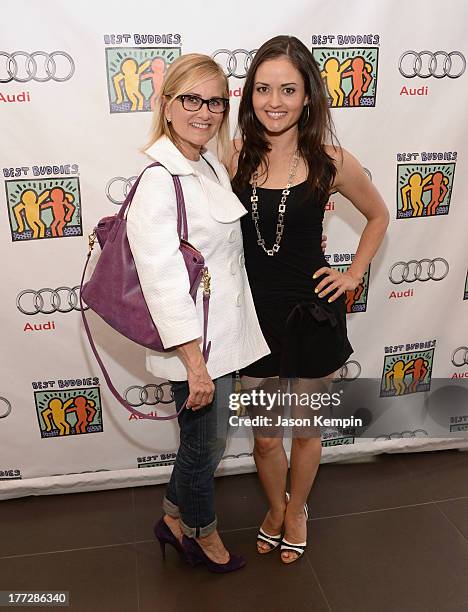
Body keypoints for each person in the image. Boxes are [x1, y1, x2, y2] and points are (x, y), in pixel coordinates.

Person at [230, 35, 389, 564]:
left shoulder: (331, 160)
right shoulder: (233, 156)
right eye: (263, 88)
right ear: (249, 94)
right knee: (266, 438)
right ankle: (275, 506)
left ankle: (297, 510)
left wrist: (353, 274)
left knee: (304, 430)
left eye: (288, 89)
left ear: (308, 96)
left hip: (313, 315)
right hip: (253, 318)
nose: (274, 101)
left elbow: (378, 215)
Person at [126, 53, 271, 573]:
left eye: (214, 101)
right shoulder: (158, 180)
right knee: (202, 452)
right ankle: (200, 537)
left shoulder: (205, 162)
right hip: (196, 349)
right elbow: (163, 282)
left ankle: (170, 518)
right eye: (191, 99)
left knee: (204, 446)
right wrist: (194, 363)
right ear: (167, 106)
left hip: (222, 339)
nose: (204, 111)